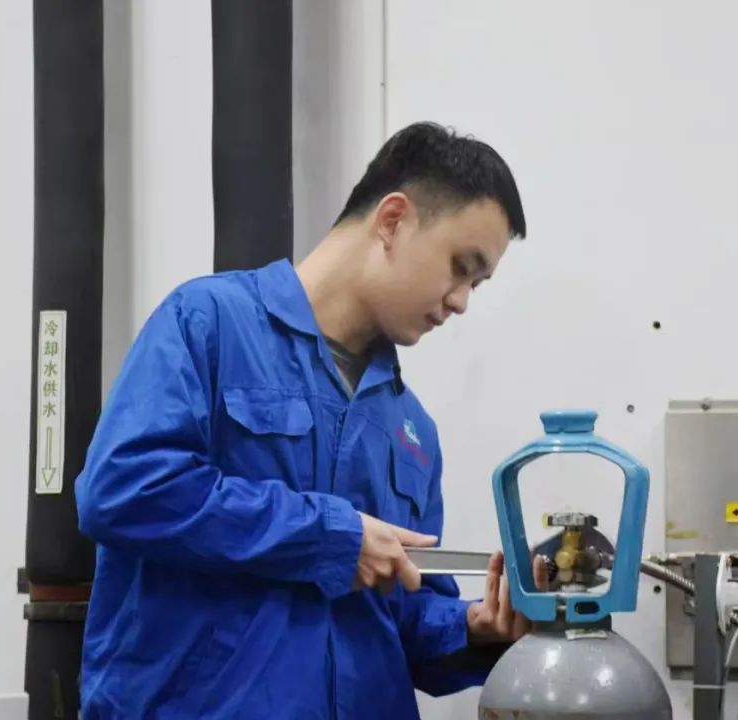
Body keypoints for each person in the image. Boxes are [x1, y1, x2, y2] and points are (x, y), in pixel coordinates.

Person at [75, 121, 541, 719]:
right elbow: (124, 489)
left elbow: (405, 622)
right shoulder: (208, 324)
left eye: (476, 283)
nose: (461, 301)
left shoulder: (412, 430)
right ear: (393, 220)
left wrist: (474, 627)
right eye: (460, 266)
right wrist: (326, 537)